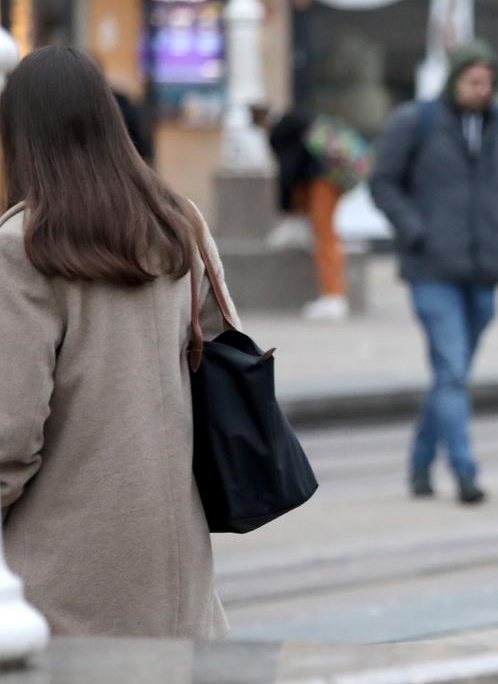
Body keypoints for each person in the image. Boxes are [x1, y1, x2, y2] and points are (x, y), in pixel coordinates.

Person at [0, 46, 234, 638]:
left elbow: (9, 433)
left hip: (62, 578)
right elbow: (217, 343)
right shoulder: (179, 222)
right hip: (177, 566)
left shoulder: (23, 246)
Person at [370, 40, 498, 506]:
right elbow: (383, 183)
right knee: (453, 371)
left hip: (485, 269)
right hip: (431, 268)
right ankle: (464, 471)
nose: (482, 90)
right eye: (473, 81)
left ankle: (420, 464)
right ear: (454, 79)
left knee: (449, 374)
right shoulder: (415, 121)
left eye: (488, 83)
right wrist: (414, 230)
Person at [256, 106, 357, 322]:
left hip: (323, 180)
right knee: (325, 233)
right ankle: (333, 295)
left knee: (325, 235)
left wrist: (286, 208)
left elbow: (288, 172)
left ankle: (334, 295)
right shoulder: (301, 119)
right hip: (334, 176)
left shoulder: (281, 132)